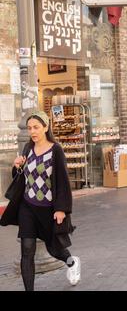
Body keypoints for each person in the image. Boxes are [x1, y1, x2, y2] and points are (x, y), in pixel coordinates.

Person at [2, 111, 80, 291]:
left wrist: (61, 209)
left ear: (46, 127)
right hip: (27, 207)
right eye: (29, 128)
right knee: (27, 250)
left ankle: (72, 262)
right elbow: (23, 177)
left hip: (48, 209)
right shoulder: (28, 148)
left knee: (55, 250)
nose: (32, 131)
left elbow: (62, 182)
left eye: (36, 127)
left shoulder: (55, 150)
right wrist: (17, 167)